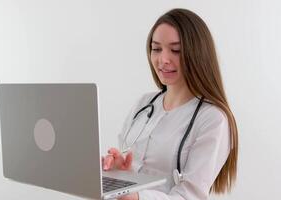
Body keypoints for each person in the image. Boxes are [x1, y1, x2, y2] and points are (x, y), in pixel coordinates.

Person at [102, 8, 238, 200]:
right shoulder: (144, 103)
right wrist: (118, 173)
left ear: (197, 54)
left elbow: (190, 196)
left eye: (176, 50)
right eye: (156, 49)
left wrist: (136, 197)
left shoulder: (213, 119)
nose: (163, 60)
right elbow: (132, 171)